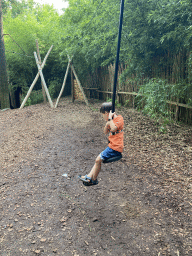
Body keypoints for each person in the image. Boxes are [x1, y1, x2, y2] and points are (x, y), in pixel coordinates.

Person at [78, 102, 124, 186]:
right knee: (97, 160)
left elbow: (113, 129)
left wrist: (110, 120)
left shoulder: (119, 119)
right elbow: (105, 132)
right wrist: (107, 124)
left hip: (115, 148)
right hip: (111, 147)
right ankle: (89, 176)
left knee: (98, 160)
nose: (103, 117)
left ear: (107, 113)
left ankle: (93, 179)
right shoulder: (111, 121)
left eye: (103, 115)